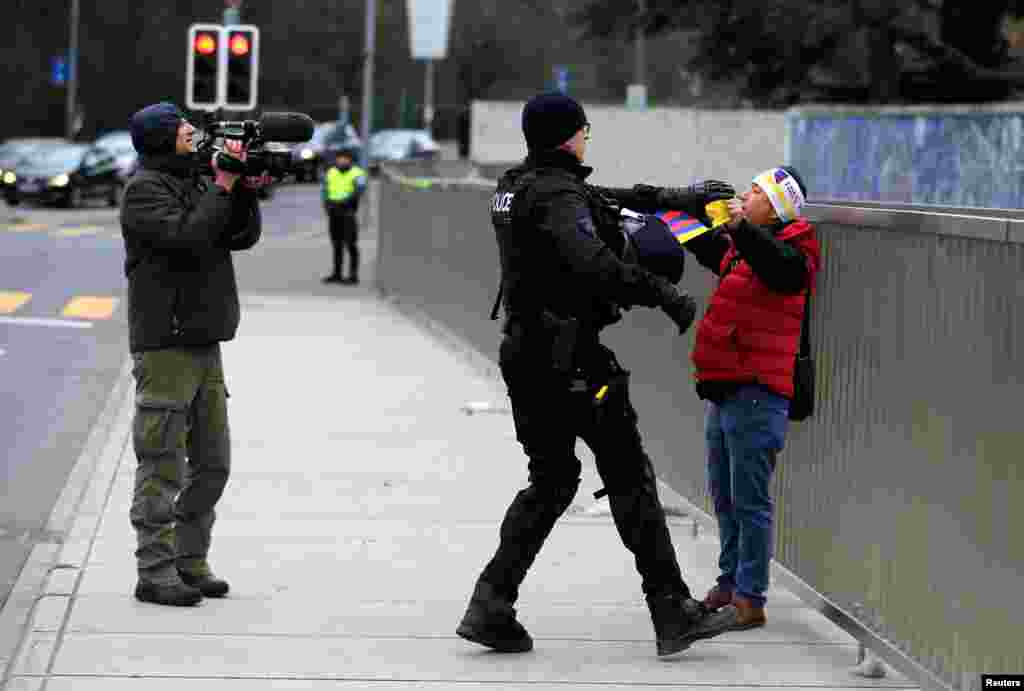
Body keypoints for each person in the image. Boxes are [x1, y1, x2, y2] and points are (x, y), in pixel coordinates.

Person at [456, 92, 740, 658]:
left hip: (526, 354)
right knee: (631, 478)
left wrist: (675, 199)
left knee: (554, 479)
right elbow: (591, 260)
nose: (588, 139)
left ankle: (490, 604)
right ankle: (672, 610)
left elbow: (605, 197)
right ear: (568, 135)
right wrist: (665, 295)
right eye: (585, 131)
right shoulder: (558, 195)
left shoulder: (518, 186)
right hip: (573, 362)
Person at [120, 102, 266, 606]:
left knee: (213, 462)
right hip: (166, 343)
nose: (194, 135)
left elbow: (238, 236)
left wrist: (243, 189)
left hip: (205, 339)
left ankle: (189, 558)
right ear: (162, 140)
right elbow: (186, 238)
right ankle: (155, 571)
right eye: (184, 130)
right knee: (162, 463)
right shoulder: (144, 191)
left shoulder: (202, 181)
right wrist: (223, 186)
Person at [682, 166, 821, 630]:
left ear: (778, 206)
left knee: (750, 501)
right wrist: (678, 211)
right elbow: (700, 242)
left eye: (757, 192)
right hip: (725, 386)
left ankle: (750, 597)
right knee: (724, 496)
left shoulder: (798, 249)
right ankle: (729, 583)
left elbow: (782, 271)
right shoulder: (741, 248)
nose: (746, 195)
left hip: (759, 391)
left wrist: (741, 228)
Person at [321, 147, 367, 285]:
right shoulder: (331, 172)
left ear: (350, 160)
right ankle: (337, 274)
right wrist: (327, 204)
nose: (341, 160)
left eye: (345, 158)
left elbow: (359, 191)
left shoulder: (357, 173)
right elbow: (325, 190)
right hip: (333, 212)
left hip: (348, 212)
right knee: (336, 244)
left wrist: (344, 201)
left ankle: (353, 276)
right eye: (339, 158)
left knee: (351, 244)